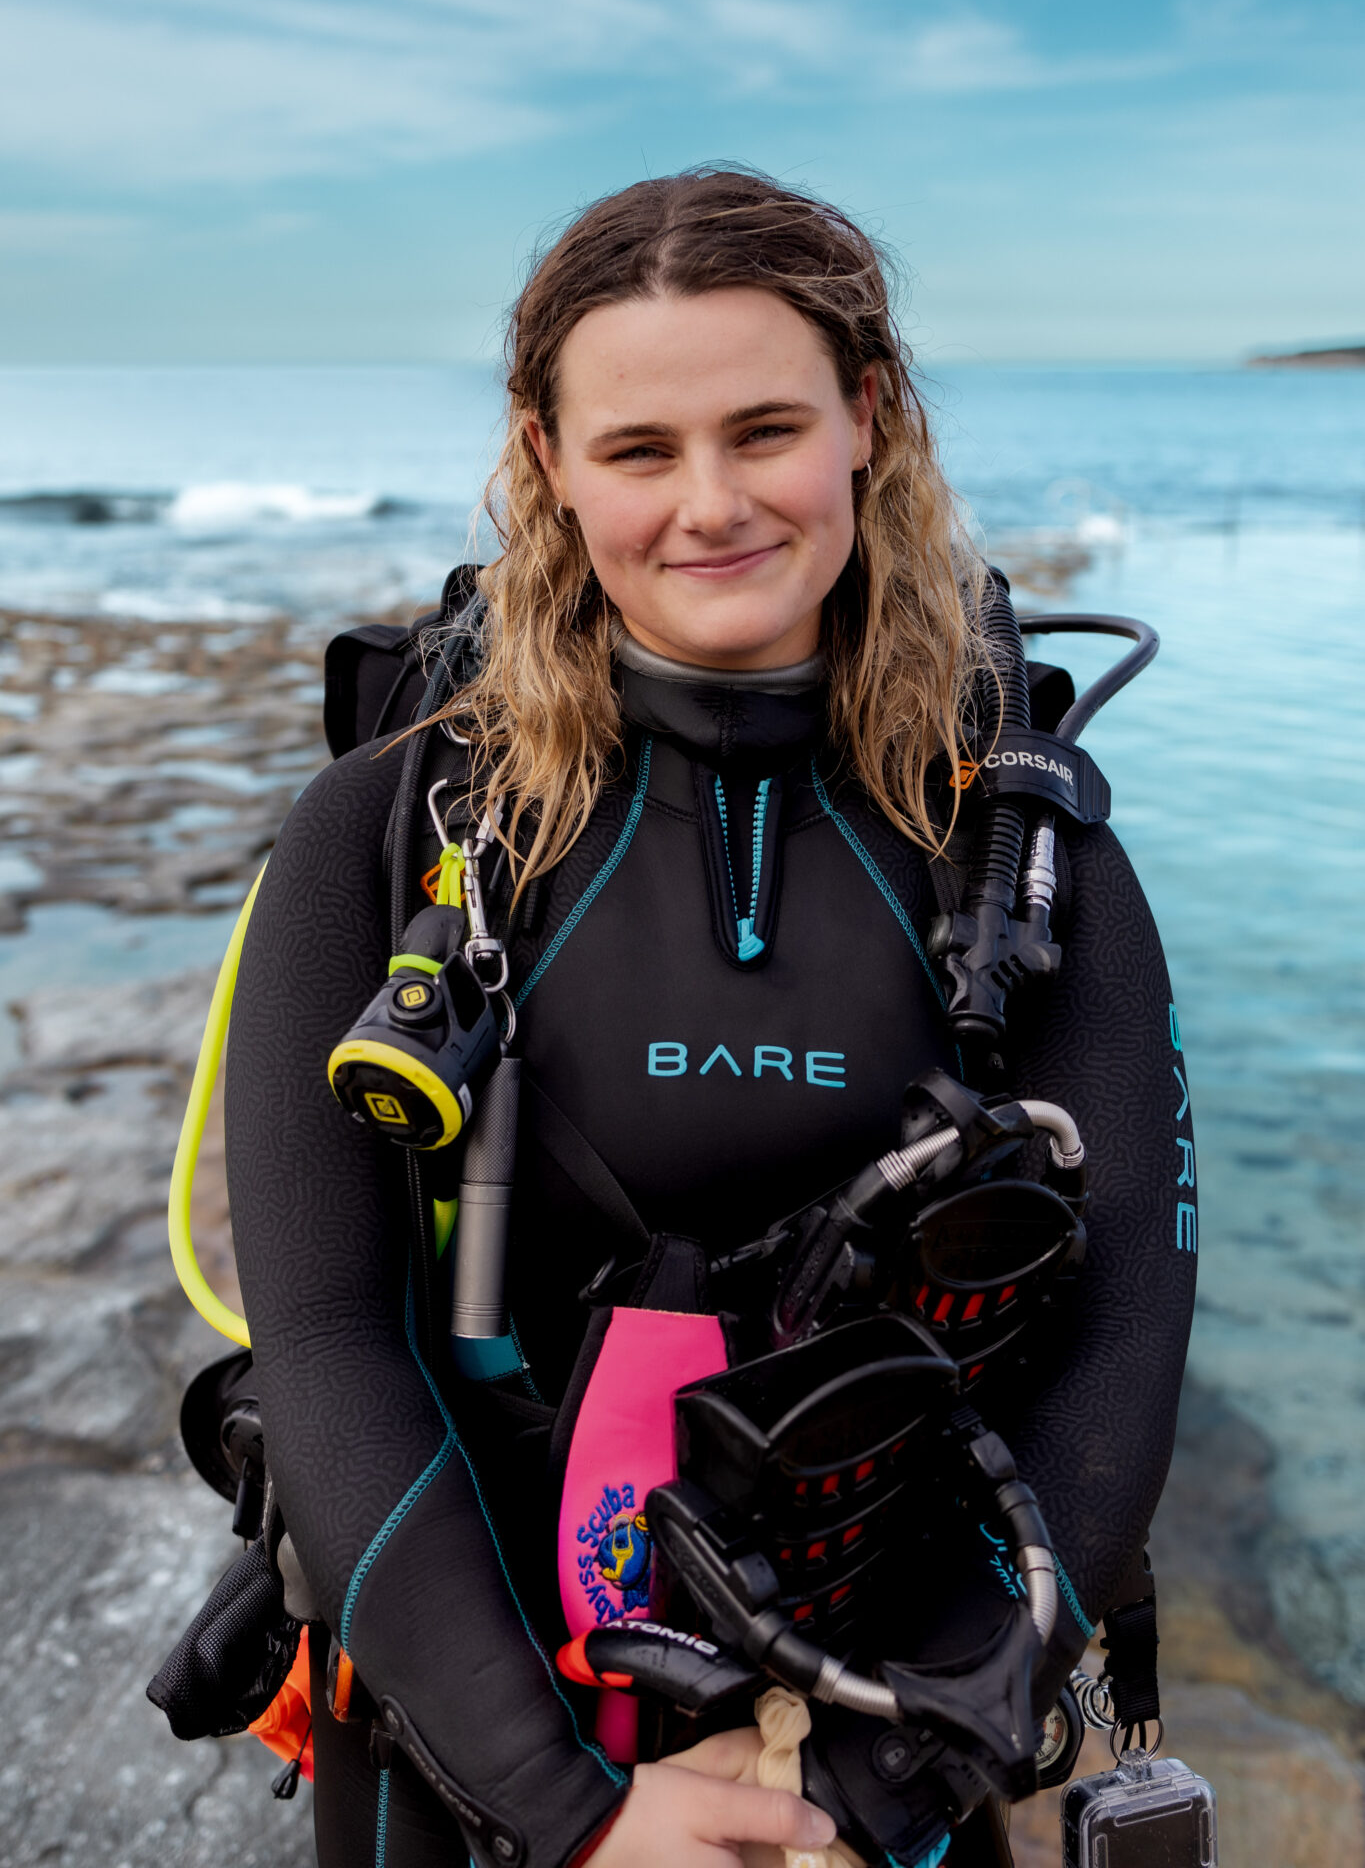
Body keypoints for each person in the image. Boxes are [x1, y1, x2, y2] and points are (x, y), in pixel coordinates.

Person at [225, 167, 1195, 1868]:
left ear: (868, 420)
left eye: (766, 429)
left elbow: (1119, 1339)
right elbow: (323, 1340)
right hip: (474, 1754)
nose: (711, 504)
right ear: (545, 460)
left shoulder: (1020, 850)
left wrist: (874, 1795)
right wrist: (570, 1811)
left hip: (891, 1744)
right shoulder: (386, 837)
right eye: (638, 449)